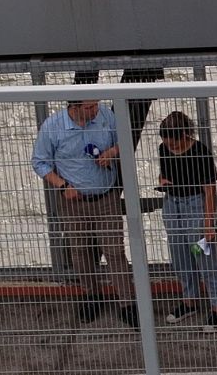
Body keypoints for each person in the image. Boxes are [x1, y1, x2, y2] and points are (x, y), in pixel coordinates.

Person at [31, 99, 138, 327]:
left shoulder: (106, 117)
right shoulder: (52, 126)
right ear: (74, 107)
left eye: (96, 105)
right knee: (80, 251)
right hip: (73, 203)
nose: (95, 111)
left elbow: (125, 140)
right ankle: (92, 295)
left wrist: (112, 151)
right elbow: (40, 162)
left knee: (115, 251)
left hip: (106, 197)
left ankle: (127, 302)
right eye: (89, 107)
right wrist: (61, 186)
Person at [154, 111, 217, 332]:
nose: (171, 147)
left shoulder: (200, 152)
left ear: (185, 135)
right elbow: (164, 174)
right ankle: (189, 300)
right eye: (167, 143)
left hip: (196, 205)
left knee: (204, 256)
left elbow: (209, 190)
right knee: (180, 255)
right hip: (172, 204)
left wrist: (208, 221)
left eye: (174, 143)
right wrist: (162, 180)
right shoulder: (163, 149)